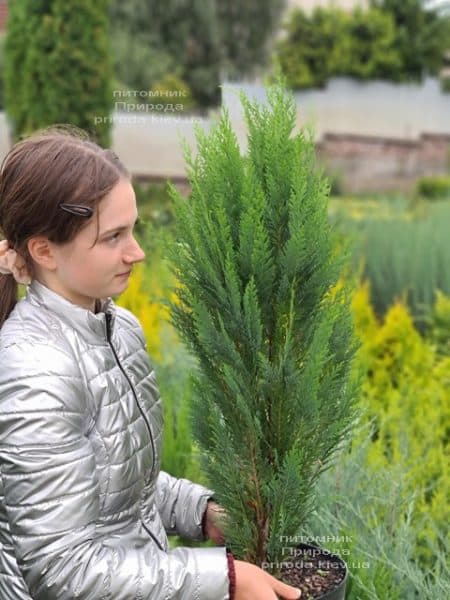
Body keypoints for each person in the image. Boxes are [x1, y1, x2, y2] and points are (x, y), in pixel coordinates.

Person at [0, 128, 302, 600]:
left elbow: (118, 485)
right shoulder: (34, 368)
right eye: (113, 236)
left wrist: (199, 511)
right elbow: (62, 570)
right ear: (44, 251)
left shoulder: (118, 328)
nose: (136, 252)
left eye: (133, 228)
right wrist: (223, 580)